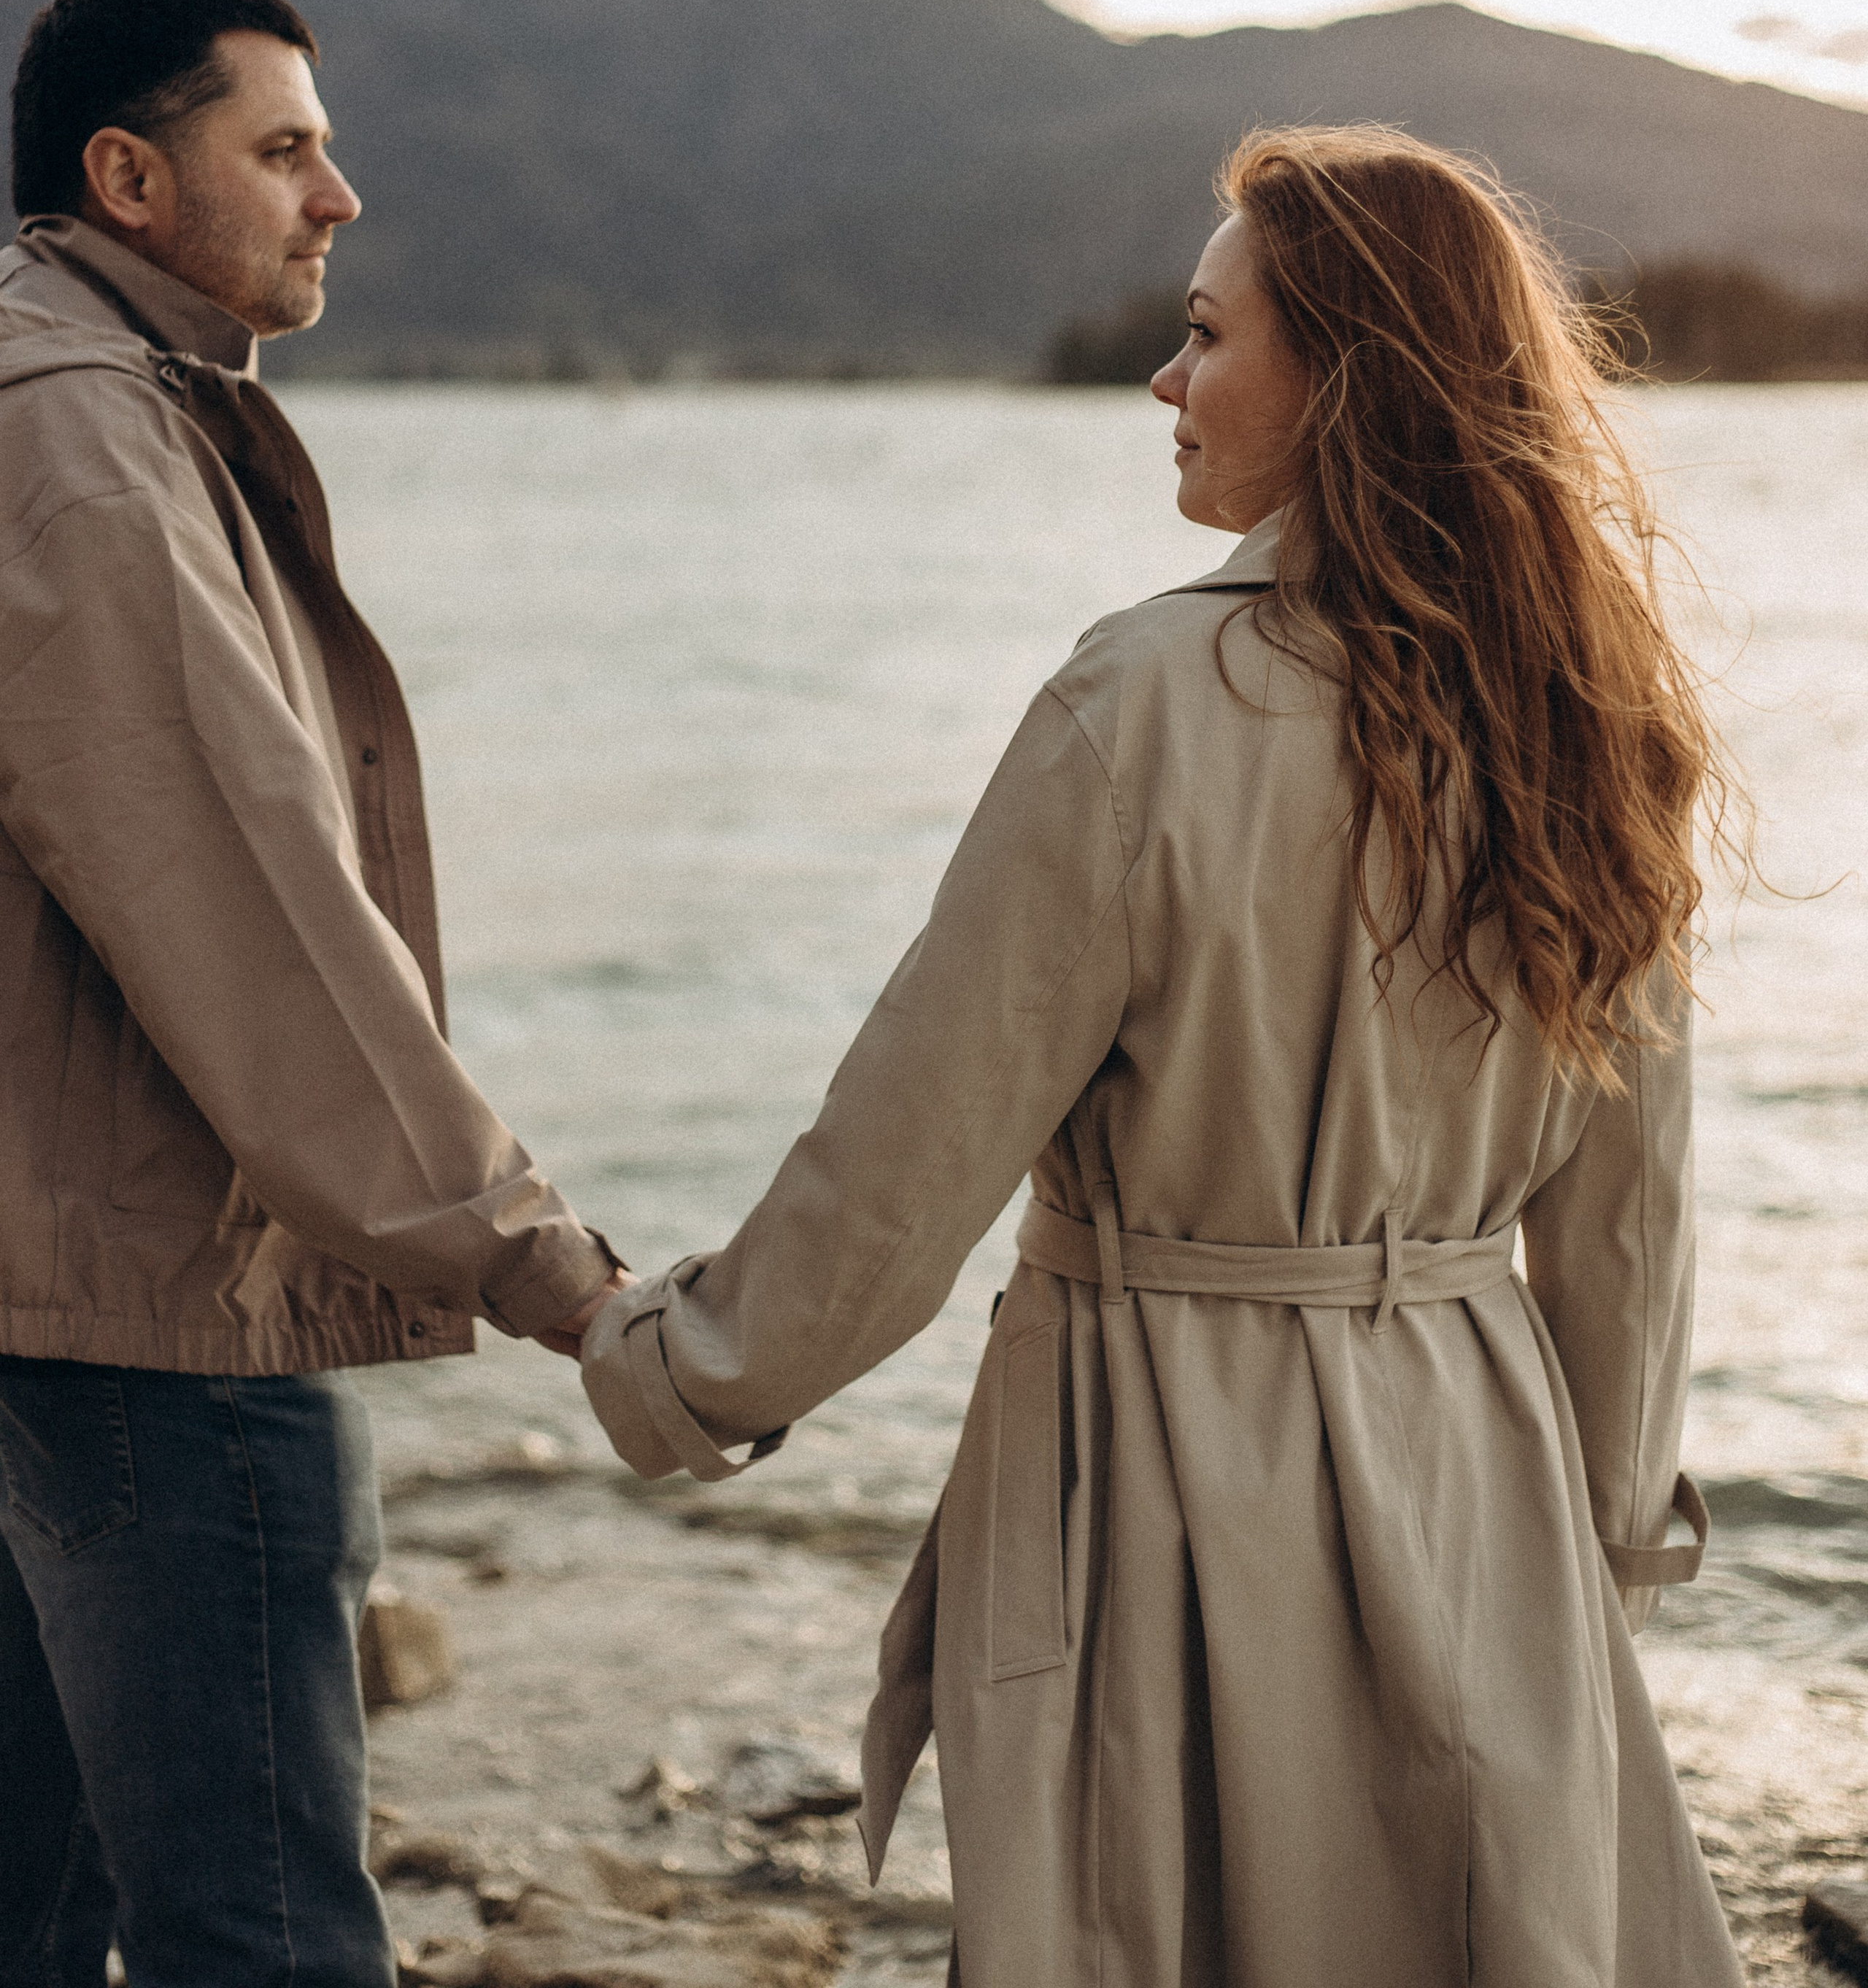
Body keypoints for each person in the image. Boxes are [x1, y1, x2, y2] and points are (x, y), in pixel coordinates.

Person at [581, 123, 1744, 1987]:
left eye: (1205, 335)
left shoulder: (1136, 701)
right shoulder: (1584, 715)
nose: (1162, 378)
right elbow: (1626, 1221)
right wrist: (1597, 1538)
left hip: (1162, 1469)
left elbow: (906, 1162)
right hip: (1480, 1473)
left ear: (1343, 375)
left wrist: (672, 1364)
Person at [0, 0, 623, 1988]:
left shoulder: (52, 388)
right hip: (160, 1318)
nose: (338, 196)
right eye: (282, 151)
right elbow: (248, 912)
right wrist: (542, 1267)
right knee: (257, 1934)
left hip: (31, 1294)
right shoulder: (87, 444)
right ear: (127, 178)